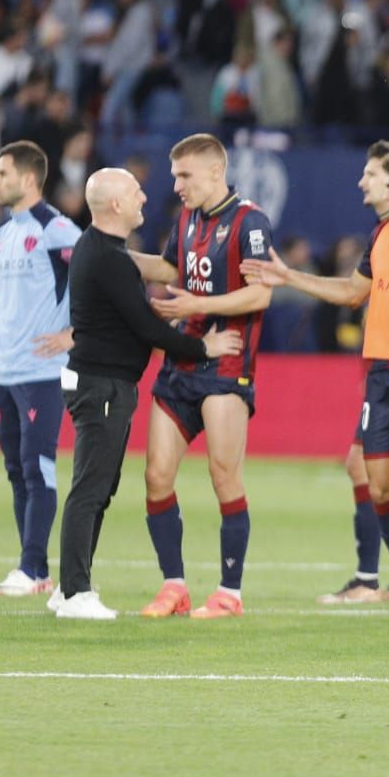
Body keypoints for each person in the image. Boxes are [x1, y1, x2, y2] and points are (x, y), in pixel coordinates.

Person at [244, 145, 389, 623]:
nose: (384, 191)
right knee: (379, 487)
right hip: (383, 375)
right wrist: (288, 277)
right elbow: (352, 293)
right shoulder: (384, 234)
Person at [51, 168, 241, 619]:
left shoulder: (103, 250)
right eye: (136, 192)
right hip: (102, 385)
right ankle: (75, 592)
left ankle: (70, 586)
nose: (143, 197)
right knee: (91, 487)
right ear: (115, 205)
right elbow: (145, 328)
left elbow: (134, 319)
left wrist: (158, 321)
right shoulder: (111, 257)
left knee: (98, 486)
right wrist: (202, 345)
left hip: (99, 382)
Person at [123, 135, 275, 620]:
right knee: (156, 475)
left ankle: (230, 592)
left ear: (215, 172)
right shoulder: (186, 219)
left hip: (227, 366)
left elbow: (260, 295)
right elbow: (172, 268)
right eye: (174, 176)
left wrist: (198, 305)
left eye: (184, 175)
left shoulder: (250, 221)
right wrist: (115, 255)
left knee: (223, 475)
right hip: (181, 361)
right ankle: (175, 586)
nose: (176, 185)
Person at [311, 141, 389, 604]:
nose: (363, 182)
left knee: (385, 473)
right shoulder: (385, 233)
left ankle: (383, 579)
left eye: (371, 174)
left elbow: (355, 295)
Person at [0, 141, 83, 598]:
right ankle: (36, 570)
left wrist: (74, 334)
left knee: (36, 465)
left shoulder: (58, 230)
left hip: (43, 372)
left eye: (2, 174)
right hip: (3, 371)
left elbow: (104, 279)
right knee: (14, 468)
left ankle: (31, 567)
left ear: (28, 179)